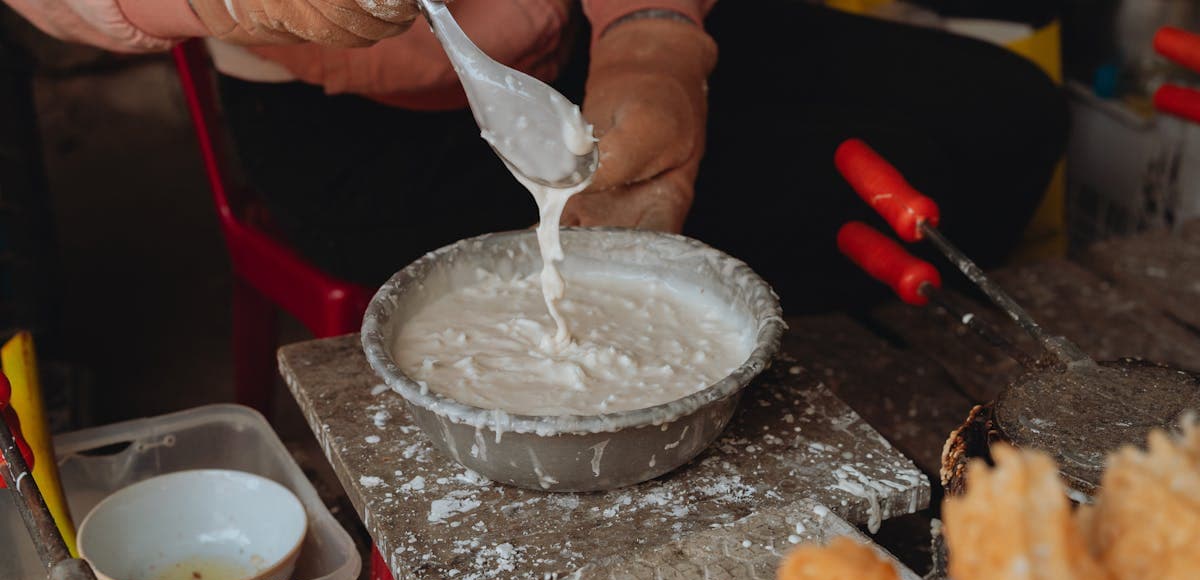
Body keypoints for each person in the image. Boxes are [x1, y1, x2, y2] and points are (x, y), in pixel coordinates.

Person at [4, 0, 1065, 313]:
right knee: (698, 277)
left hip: (595, 28)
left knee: (1001, 112)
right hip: (366, 131)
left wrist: (652, 37)